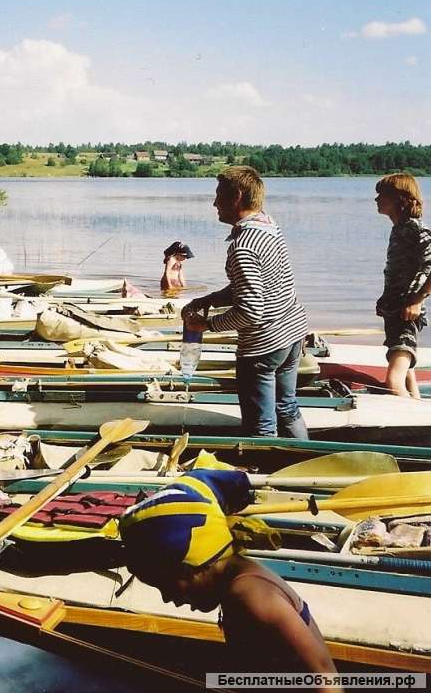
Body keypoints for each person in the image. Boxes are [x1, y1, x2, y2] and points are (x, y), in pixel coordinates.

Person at [119, 469, 340, 687]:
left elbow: (325, 678)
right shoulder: (240, 581)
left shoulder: (249, 595)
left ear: (190, 568)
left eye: (165, 586)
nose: (168, 598)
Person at [181, 166, 308, 438]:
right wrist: (212, 299)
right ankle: (305, 462)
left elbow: (251, 310)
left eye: (218, 195)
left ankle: (263, 476)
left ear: (236, 196)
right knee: (286, 407)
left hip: (264, 345)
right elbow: (262, 283)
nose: (214, 203)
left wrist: (208, 325)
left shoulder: (242, 246)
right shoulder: (268, 226)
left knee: (260, 425)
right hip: (293, 332)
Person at [375, 173, 431, 398]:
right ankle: (418, 413)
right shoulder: (399, 228)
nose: (376, 199)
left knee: (392, 381)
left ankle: (404, 428)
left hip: (407, 313)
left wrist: (418, 300)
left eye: (382, 195)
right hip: (395, 310)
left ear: (400, 199)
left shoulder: (415, 228)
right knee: (408, 375)